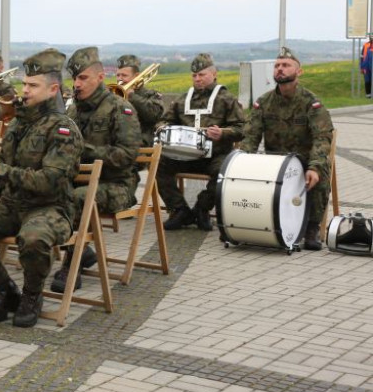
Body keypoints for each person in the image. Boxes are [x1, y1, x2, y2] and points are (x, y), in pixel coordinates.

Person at [0, 49, 84, 328]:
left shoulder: (63, 129)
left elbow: (49, 180)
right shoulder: (17, 124)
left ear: (53, 89)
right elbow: (2, 168)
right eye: (25, 84)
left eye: (33, 85)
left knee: (33, 238)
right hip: (12, 205)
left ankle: (32, 295)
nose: (25, 91)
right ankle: (5, 289)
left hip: (50, 207)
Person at [55, 47, 140, 292]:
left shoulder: (120, 109)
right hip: (79, 181)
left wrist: (84, 149)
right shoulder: (73, 110)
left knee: (74, 199)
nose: (77, 84)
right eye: (75, 79)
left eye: (83, 78)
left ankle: (72, 262)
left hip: (116, 185)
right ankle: (81, 251)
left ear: (100, 77)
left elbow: (127, 156)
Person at [241, 46, 334, 250]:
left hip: (304, 161)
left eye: (286, 65)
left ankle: (311, 227)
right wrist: (241, 162)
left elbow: (322, 138)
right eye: (277, 66)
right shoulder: (263, 102)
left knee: (323, 170)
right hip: (274, 162)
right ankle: (249, 222)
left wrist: (315, 166)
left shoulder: (312, 103)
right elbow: (251, 136)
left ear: (298, 72)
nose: (280, 69)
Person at [157, 53, 245, 231]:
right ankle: (180, 210)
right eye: (194, 75)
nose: (197, 79)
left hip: (215, 155)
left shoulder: (226, 99)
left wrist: (223, 133)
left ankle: (201, 209)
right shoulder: (182, 99)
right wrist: (162, 127)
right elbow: (164, 120)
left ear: (214, 74)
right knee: (158, 165)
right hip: (184, 155)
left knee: (223, 172)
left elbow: (242, 128)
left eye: (202, 75)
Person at [114, 54, 166, 148]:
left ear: (136, 76)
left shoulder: (150, 95)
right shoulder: (114, 94)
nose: (119, 79)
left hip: (140, 148)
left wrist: (131, 96)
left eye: (124, 75)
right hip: (116, 146)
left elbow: (154, 115)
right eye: (118, 75)